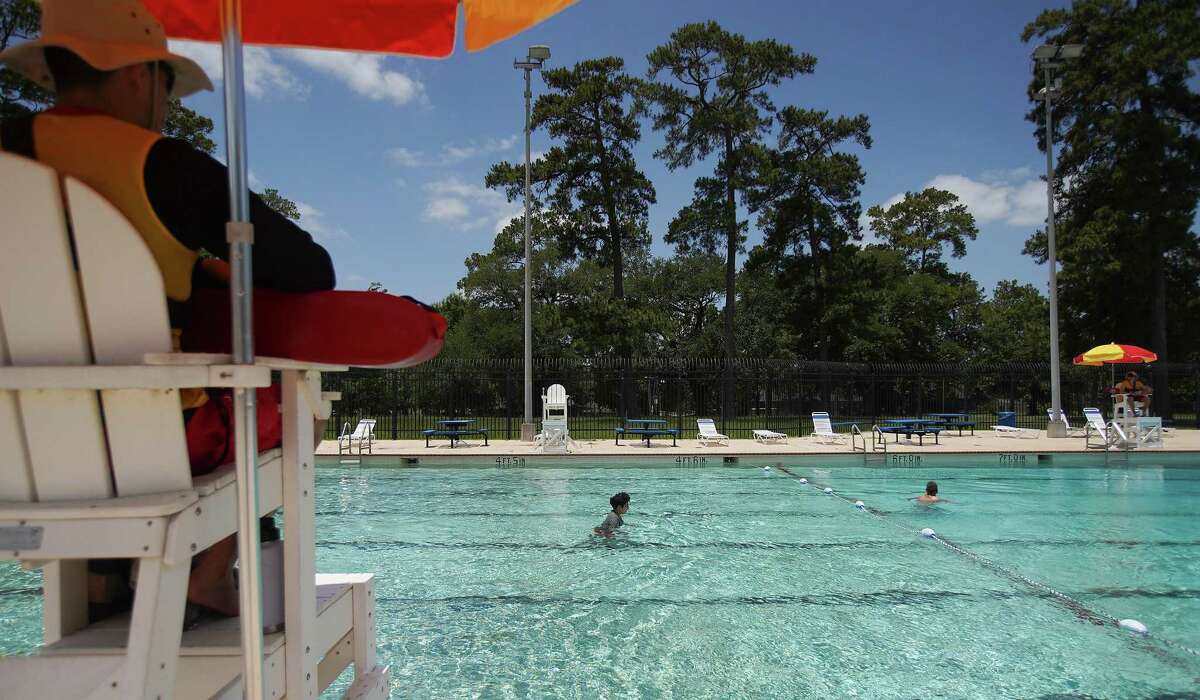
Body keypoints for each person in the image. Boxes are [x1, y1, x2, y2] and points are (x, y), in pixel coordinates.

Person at [0, 0, 334, 618]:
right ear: (134, 75)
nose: (165, 103)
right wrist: (212, 269)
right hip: (156, 443)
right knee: (299, 404)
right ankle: (208, 572)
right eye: (164, 83)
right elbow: (311, 268)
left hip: (14, 447)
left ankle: (99, 581)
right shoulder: (165, 167)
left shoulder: (11, 151)